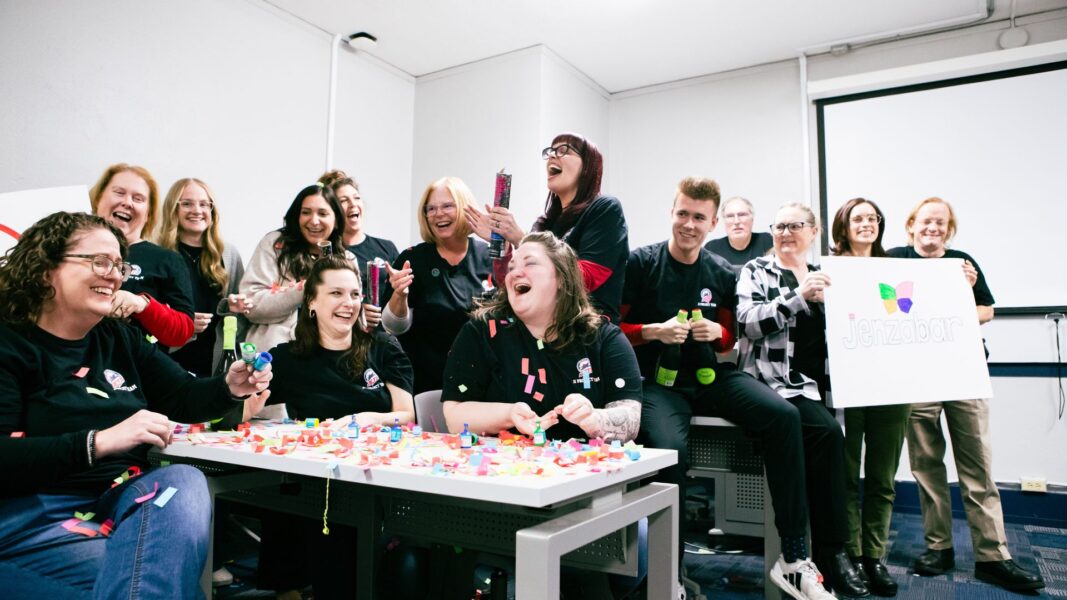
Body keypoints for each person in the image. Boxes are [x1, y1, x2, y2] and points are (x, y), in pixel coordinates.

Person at [0, 212, 271, 598]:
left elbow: (182, 396)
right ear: (46, 270)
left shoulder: (117, 336)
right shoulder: (10, 343)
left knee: (184, 481)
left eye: (119, 265)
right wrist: (98, 442)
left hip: (119, 503)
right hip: (34, 515)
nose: (114, 275)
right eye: (99, 261)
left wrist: (229, 387)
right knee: (170, 589)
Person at [625, 182, 864, 599]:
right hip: (657, 383)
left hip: (710, 376)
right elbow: (610, 330)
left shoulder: (720, 271)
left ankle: (792, 557)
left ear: (712, 223)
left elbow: (730, 337)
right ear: (672, 212)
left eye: (699, 217)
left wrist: (718, 332)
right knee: (670, 451)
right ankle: (671, 575)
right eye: (683, 214)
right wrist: (652, 332)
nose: (689, 224)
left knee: (783, 415)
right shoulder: (642, 263)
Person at [886, 198, 1044, 592]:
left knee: (977, 467)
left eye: (941, 223)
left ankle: (993, 556)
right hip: (917, 376)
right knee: (926, 467)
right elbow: (885, 309)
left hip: (963, 370)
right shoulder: (892, 261)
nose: (933, 228)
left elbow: (987, 310)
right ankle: (938, 548)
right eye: (926, 222)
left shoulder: (962, 262)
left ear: (949, 229)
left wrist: (965, 293)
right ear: (911, 226)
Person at [255, 255, 414, 600]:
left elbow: (407, 414)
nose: (349, 303)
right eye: (336, 294)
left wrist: (366, 420)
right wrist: (246, 385)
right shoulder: (288, 358)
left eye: (355, 294)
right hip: (314, 486)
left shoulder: (382, 346)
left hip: (378, 482)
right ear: (312, 302)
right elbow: (243, 408)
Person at [442, 231, 641, 443]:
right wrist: (510, 414)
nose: (515, 273)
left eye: (530, 264)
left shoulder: (603, 337)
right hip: (506, 468)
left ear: (562, 279)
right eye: (511, 268)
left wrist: (594, 419)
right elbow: (454, 416)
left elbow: (631, 419)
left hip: (587, 470)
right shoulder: (481, 331)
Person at [829, 198, 908, 596]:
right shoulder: (827, 269)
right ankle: (852, 554)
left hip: (894, 385)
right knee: (844, 475)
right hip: (848, 382)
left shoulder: (898, 268)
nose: (867, 224)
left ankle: (875, 557)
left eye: (873, 218)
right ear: (843, 226)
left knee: (882, 477)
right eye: (858, 218)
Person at [466, 132, 628, 322]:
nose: (552, 155)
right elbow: (514, 285)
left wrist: (521, 239)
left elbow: (587, 279)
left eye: (563, 150)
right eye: (551, 151)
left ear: (587, 167)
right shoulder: (544, 224)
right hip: (546, 331)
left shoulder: (605, 209)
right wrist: (501, 244)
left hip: (589, 332)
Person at [382, 177, 492, 394]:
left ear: (465, 209)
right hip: (426, 382)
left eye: (447, 206)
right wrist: (399, 295)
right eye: (430, 209)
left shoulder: (489, 257)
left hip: (482, 380)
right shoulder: (413, 259)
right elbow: (392, 328)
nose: (438, 214)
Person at [90, 163, 195, 349]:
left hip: (134, 369)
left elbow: (182, 331)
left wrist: (142, 304)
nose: (127, 202)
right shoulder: (69, 249)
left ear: (148, 214)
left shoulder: (166, 259)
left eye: (138, 199)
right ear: (98, 199)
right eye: (119, 192)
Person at [157, 178, 251, 376]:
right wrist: (181, 324)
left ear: (212, 211)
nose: (197, 210)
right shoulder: (158, 254)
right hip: (167, 363)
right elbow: (148, 315)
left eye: (204, 204)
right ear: (173, 209)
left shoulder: (228, 254)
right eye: (187, 203)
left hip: (214, 364)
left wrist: (233, 307)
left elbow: (241, 320)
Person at [319, 169, 399, 330]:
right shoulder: (328, 253)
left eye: (357, 198)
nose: (353, 204)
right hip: (346, 337)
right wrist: (357, 312)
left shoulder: (386, 247)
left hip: (385, 337)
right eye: (344, 200)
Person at [704, 196, 773, 274]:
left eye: (742, 215)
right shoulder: (712, 249)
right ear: (724, 221)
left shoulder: (768, 242)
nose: (736, 221)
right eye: (730, 216)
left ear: (752, 219)